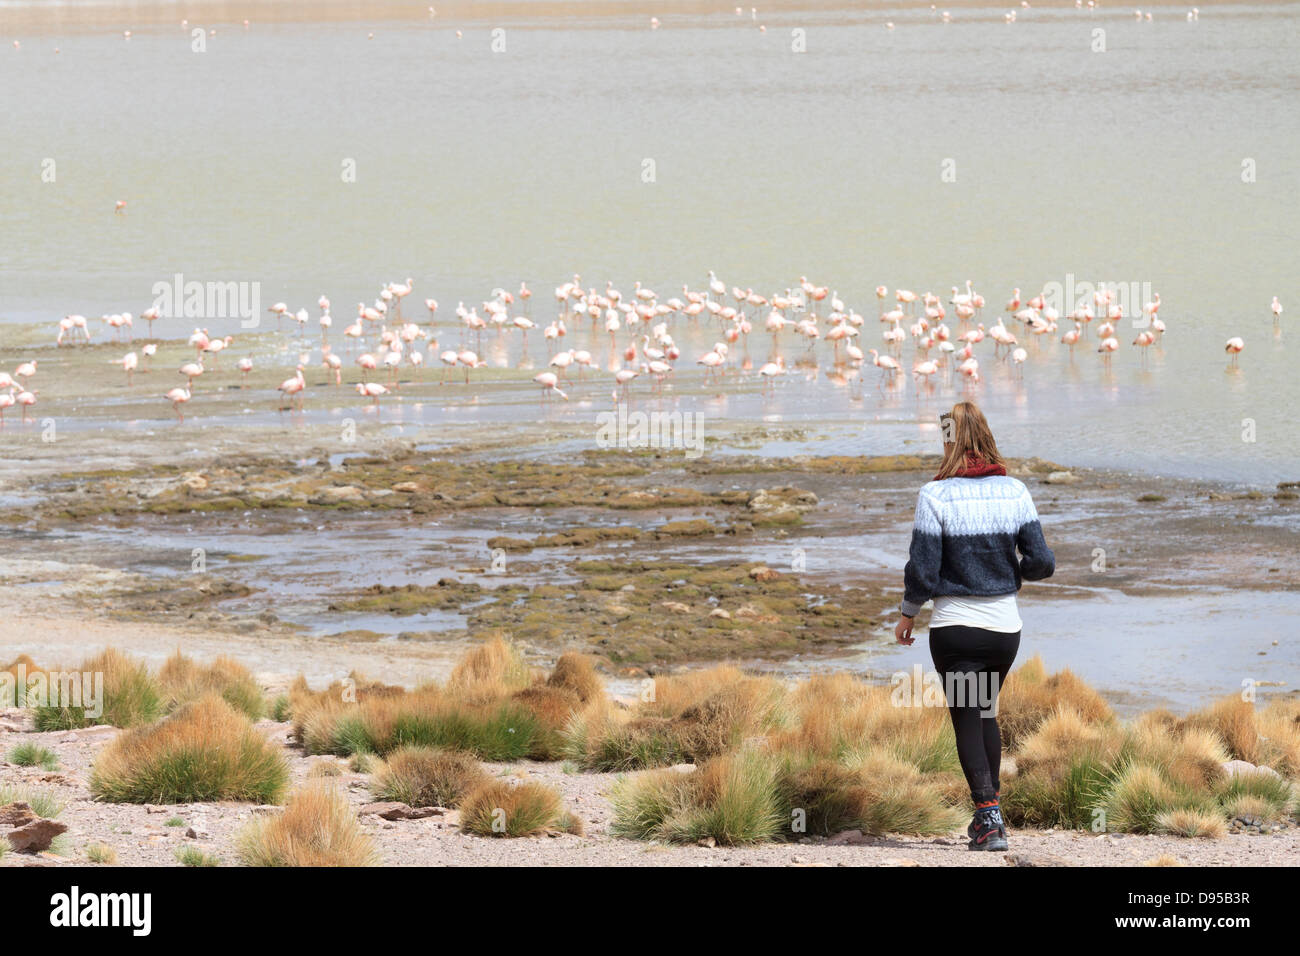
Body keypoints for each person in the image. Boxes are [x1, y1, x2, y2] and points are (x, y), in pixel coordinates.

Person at [894, 401, 1055, 851]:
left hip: (956, 628)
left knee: (968, 714)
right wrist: (1010, 574)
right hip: (1005, 630)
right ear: (986, 434)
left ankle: (989, 821)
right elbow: (1042, 561)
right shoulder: (1016, 492)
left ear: (949, 440)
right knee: (985, 711)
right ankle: (991, 815)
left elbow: (923, 572)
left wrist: (908, 613)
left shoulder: (935, 495)